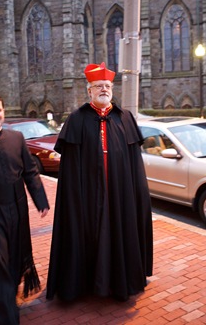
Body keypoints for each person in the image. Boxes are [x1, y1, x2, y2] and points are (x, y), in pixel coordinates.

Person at [46, 62, 153, 302]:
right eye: (98, 86)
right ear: (89, 91)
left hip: (119, 193)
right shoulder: (76, 119)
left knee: (120, 233)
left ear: (112, 88)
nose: (103, 89)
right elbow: (70, 168)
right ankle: (82, 286)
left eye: (107, 86)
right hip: (87, 195)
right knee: (85, 235)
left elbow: (135, 162)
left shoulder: (125, 117)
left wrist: (139, 194)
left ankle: (120, 284)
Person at [0, 96, 50, 325]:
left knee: (15, 259)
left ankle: (8, 296)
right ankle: (7, 314)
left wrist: (41, 200)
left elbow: (30, 172)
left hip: (16, 211)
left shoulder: (16, 138)